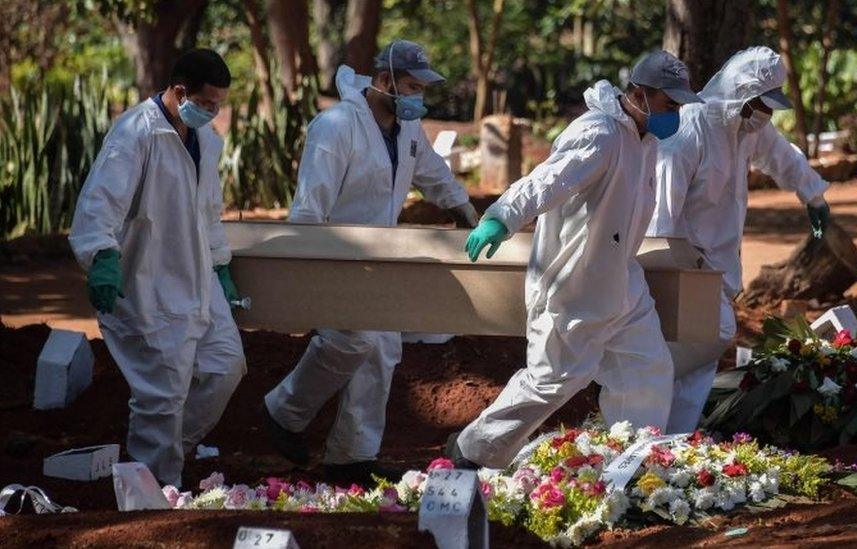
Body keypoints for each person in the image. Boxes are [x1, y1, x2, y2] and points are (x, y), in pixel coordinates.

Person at [444, 50, 703, 469]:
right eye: (669, 104)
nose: (675, 113)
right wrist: (501, 217)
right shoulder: (599, 134)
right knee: (552, 382)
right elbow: (546, 181)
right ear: (639, 93)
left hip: (622, 282)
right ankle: (472, 449)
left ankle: (632, 463)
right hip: (576, 285)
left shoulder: (647, 139)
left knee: (648, 371)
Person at [262, 40, 479, 481]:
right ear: (384, 81)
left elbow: (435, 176)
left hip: (380, 260)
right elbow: (308, 209)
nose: (419, 98)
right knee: (352, 340)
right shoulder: (336, 127)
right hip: (336, 256)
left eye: (423, 89)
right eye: (412, 87)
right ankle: (283, 411)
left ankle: (351, 457)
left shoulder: (408, 129)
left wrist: (469, 217)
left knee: (382, 349)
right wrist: (306, 268)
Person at [69, 49, 245, 487]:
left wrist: (220, 265)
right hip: (147, 285)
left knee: (226, 366)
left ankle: (162, 458)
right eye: (205, 103)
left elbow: (208, 211)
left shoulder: (206, 141)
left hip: (197, 278)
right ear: (179, 91)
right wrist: (101, 255)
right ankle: (153, 499)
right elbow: (100, 201)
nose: (212, 112)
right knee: (162, 397)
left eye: (218, 104)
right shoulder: (136, 133)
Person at [649, 46, 832, 434]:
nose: (766, 115)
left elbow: (782, 156)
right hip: (684, 265)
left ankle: (672, 442)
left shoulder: (746, 129)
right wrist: (667, 268)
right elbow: (661, 211)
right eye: (761, 105)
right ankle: (641, 432)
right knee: (691, 348)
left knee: (696, 365)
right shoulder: (691, 130)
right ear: (740, 95)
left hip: (716, 267)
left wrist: (812, 193)